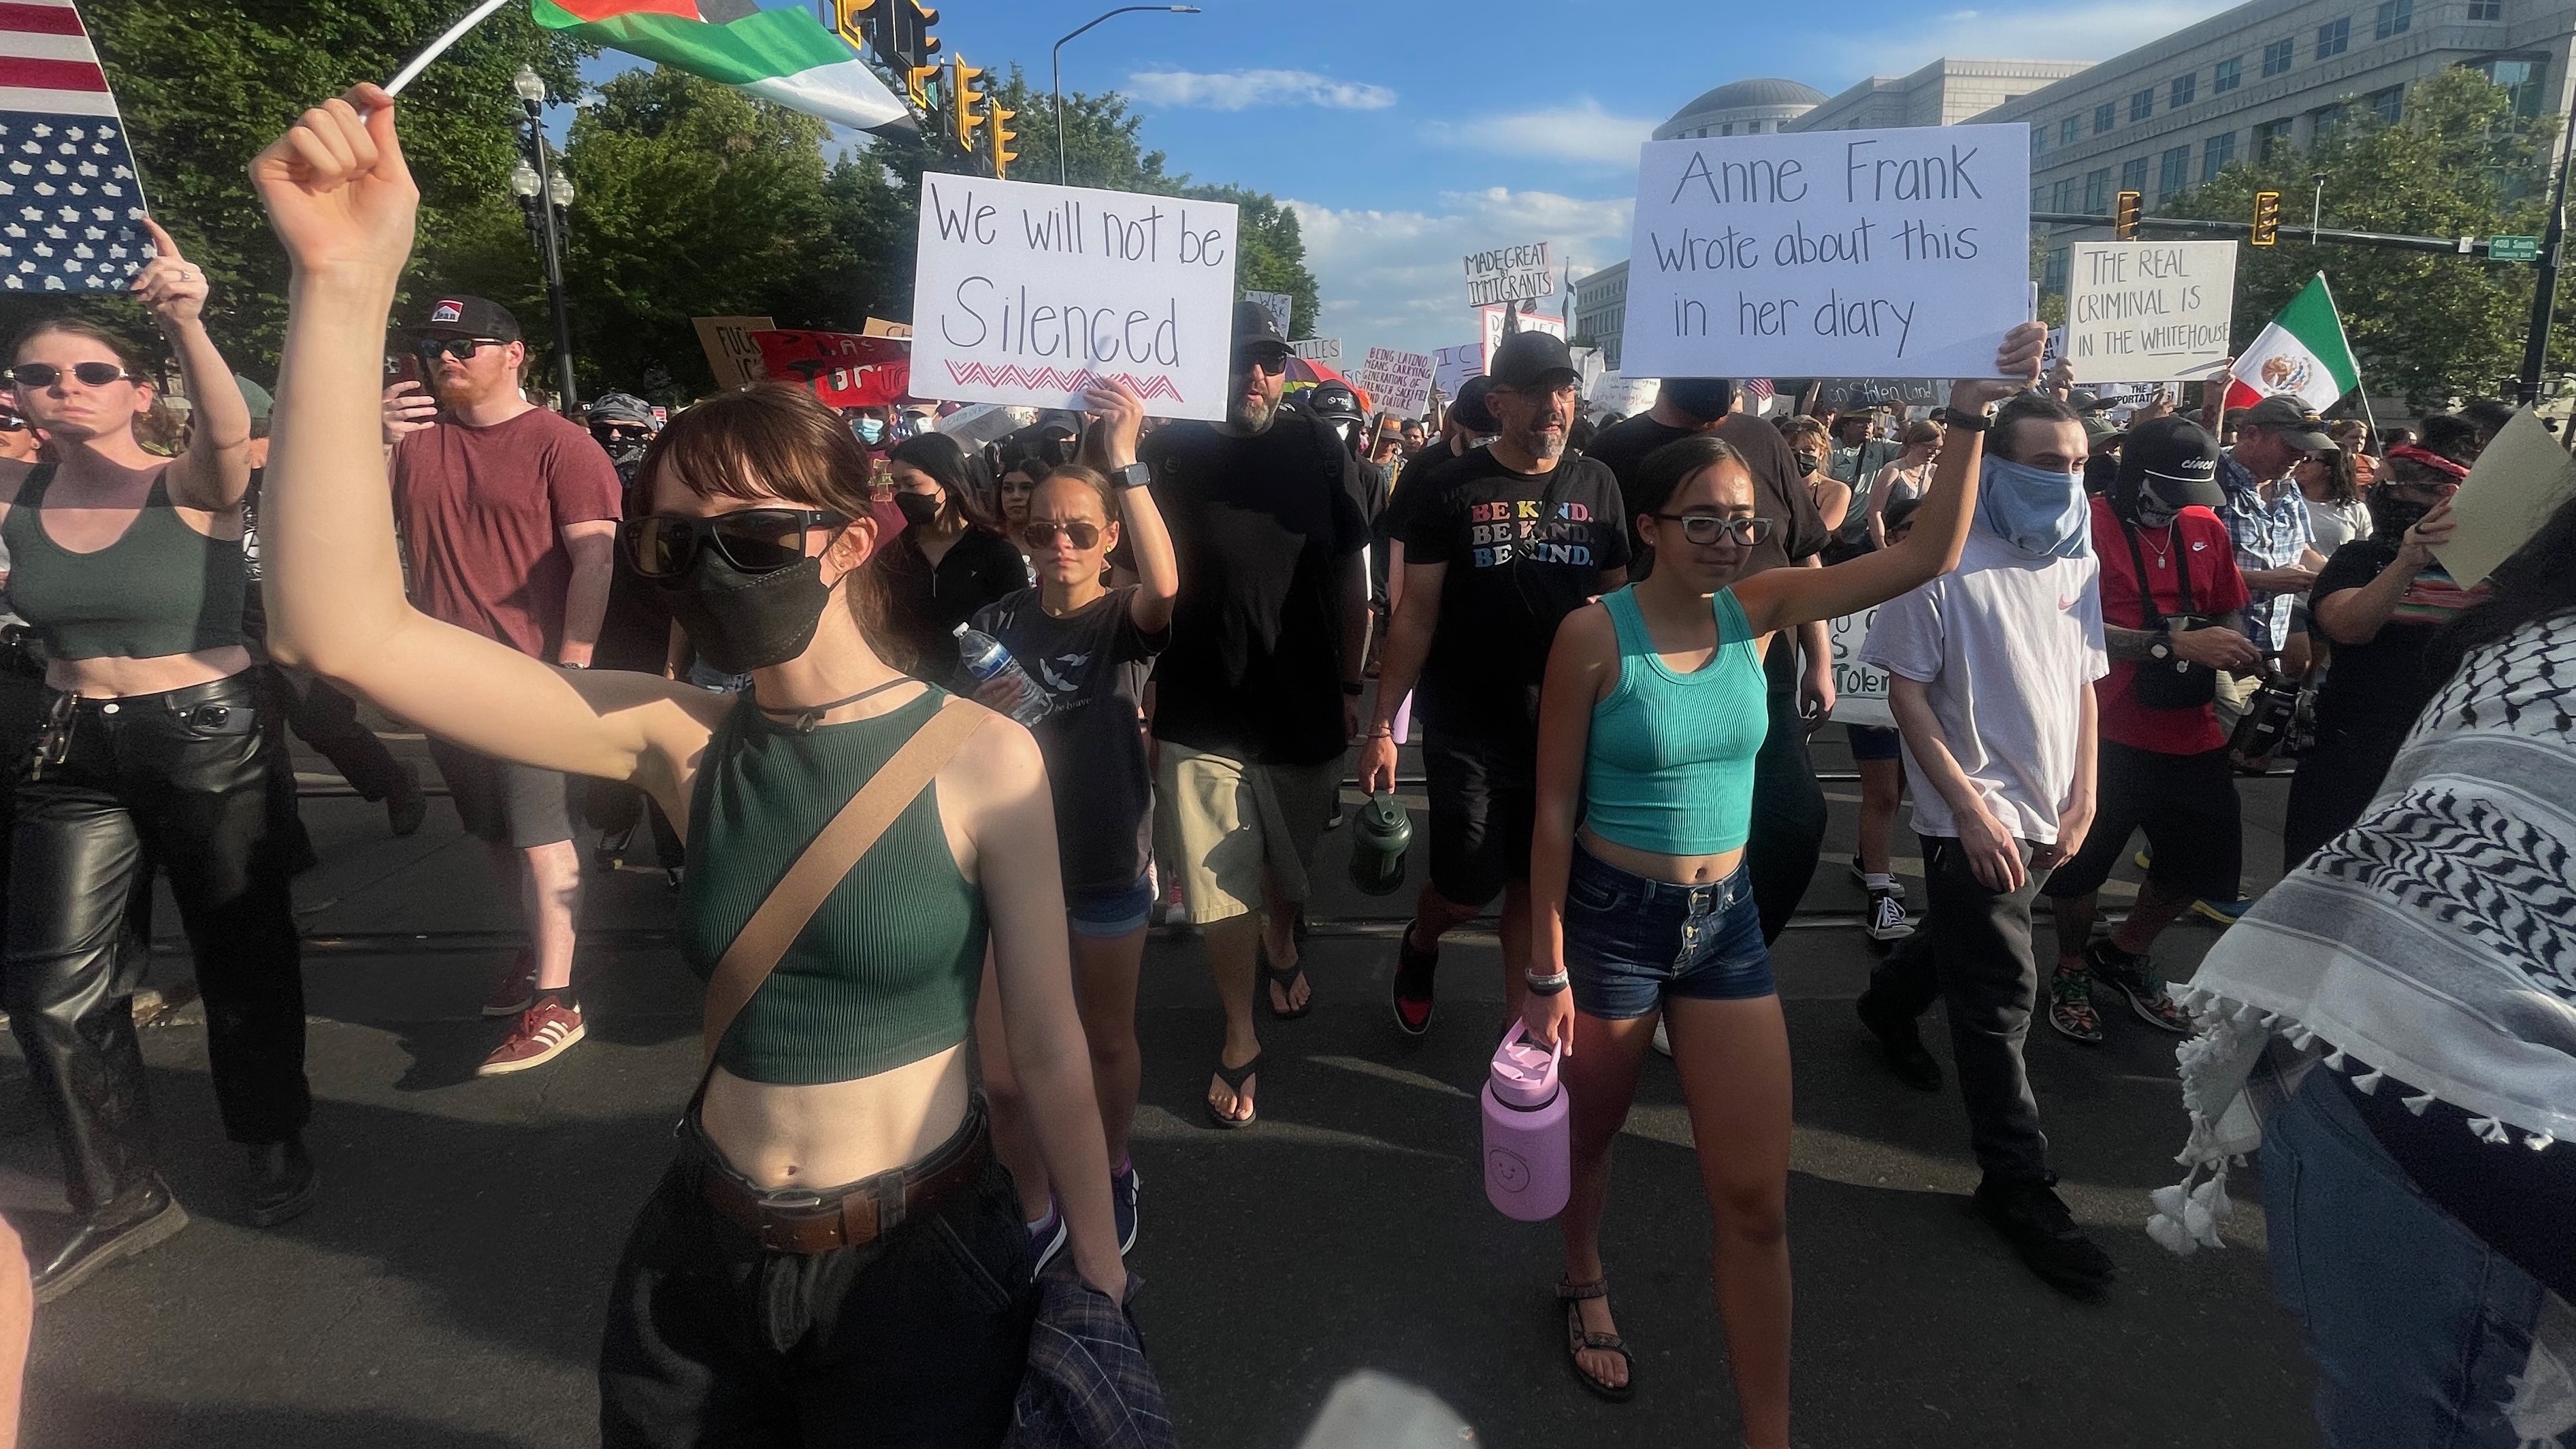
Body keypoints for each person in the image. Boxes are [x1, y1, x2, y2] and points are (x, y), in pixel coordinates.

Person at [251, 91, 1134, 1443]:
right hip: (697, 1270)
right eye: (673, 543)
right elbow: (339, 625)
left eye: (752, 537)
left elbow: (1047, 1055)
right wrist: (339, 277)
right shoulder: (674, 740)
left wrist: (1097, 1269)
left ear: (851, 540)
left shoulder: (981, 755)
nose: (709, 568)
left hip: (912, 1271)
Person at [1518, 327, 2044, 1437]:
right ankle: (1580, 1271)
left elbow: (1920, 559)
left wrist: (1968, 413)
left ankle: (1769, 1425)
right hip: (1613, 924)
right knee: (1595, 1131)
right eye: (1701, 520)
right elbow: (1553, 811)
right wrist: (1543, 965)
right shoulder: (1590, 636)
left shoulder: (1755, 614)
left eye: (1743, 520)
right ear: (1650, 527)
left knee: (1756, 1197)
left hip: (1729, 926)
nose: (1725, 538)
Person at [2160, 493, 2576, 1449]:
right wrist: (2406, 562)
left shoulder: (2519, 614)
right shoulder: (2391, 567)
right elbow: (2341, 625)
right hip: (2436, 1103)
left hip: (2394, 1071)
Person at [0, 226, 318, 1302]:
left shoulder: (191, 485)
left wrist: (186, 316)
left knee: (242, 953)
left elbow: (231, 434)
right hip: (68, 744)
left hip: (203, 732)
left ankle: (271, 1132)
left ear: (137, 391)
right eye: (41, 376)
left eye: (92, 371)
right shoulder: (14, 495)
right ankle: (119, 1190)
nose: (66, 388)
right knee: (48, 987)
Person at [1853, 393, 2117, 1297]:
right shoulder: (1934, 560)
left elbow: (2085, 682)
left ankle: (1889, 1003)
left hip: (2051, 808)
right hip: (1976, 813)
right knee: (2002, 991)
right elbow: (1907, 696)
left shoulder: (2073, 554)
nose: (2069, 479)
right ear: (1995, 464)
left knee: (1968, 944)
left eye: (2080, 462)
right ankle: (2017, 1182)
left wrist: (2086, 792)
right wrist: (1967, 810)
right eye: (2049, 462)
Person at [1361, 331, 1632, 1037]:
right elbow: (1414, 613)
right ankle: (1421, 942)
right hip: (1469, 729)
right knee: (1463, 890)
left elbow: (1619, 606)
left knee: (1535, 886)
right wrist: (1382, 727)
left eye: (1565, 390)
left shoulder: (1597, 483)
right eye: (1538, 391)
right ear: (1497, 401)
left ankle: (1525, 1040)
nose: (1554, 406)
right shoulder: (1446, 486)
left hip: (1568, 730)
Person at [381, 294, 621, 1076]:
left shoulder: (562, 444)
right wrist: (369, 439)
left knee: (544, 836)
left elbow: (594, 557)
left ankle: (557, 997)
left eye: (467, 346)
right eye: (432, 346)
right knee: (492, 832)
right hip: (441, 677)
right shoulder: (411, 444)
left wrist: (573, 665)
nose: (445, 358)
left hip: (531, 677)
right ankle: (534, 946)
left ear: (515, 354)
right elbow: (341, 522)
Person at [1142, 299, 1367, 1126]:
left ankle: (1283, 935)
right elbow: (1132, 563)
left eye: (1269, 359)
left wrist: (1352, 686)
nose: (1256, 375)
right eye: (1239, 359)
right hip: (1200, 705)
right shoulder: (1166, 450)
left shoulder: (1317, 446)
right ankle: (1238, 1031)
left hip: (1304, 700)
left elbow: (1352, 579)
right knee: (1214, 884)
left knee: (1286, 862)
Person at [969, 382, 1174, 1260]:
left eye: (1080, 531)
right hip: (1008, 869)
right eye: (1042, 528)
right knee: (1006, 1077)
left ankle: (1112, 1160)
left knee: (1102, 1038)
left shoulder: (1116, 622)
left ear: (1108, 541)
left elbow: (1166, 584)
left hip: (1100, 859)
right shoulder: (987, 626)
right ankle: (1034, 1197)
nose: (1058, 543)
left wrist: (1125, 456)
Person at [2036, 417, 2262, 1043]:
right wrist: (2170, 643)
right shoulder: (2077, 526)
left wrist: (2235, 643)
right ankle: (2072, 963)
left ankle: (2125, 952)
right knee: (2078, 865)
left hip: (2191, 725)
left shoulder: (2203, 524)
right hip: (2100, 727)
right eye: (2169, 493)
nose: (2181, 508)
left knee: (2203, 864)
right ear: (2135, 478)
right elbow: (2058, 631)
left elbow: (2227, 600)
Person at [1590, 378, 1834, 945]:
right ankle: (1652, 959)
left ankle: (1731, 950)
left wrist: (1818, 659)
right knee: (1668, 838)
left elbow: (1802, 553)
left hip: (1762, 671)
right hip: (1654, 677)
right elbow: (1603, 571)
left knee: (1794, 822)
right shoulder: (1613, 452)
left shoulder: (1763, 438)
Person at [238, 374, 427, 857]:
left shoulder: (295, 473)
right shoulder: (201, 476)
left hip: (296, 606)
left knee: (321, 722)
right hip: (230, 610)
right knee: (255, 733)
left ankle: (393, 779)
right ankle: (284, 842)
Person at [2283, 442, 2474, 869]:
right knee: (2324, 875)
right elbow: (2348, 627)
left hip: (2447, 757)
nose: (2380, 495)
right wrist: (2406, 563)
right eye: (2380, 485)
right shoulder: (2362, 558)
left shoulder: (2490, 573)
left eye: (2392, 485)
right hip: (2355, 748)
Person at [2211, 396, 2327, 745]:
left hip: (2264, 654)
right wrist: (2265, 581)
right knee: (2226, 745)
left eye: (2306, 450)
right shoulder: (2209, 483)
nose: (2299, 456)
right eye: (2291, 445)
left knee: (2248, 750)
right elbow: (2186, 566)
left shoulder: (2288, 487)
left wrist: (2337, 577)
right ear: (2251, 434)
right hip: (2212, 645)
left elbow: (2302, 549)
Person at [873, 432, 1025, 687]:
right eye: (897, 486)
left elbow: (1020, 630)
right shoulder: (892, 557)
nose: (902, 495)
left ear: (949, 483)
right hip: (907, 693)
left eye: (912, 484)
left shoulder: (997, 554)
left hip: (982, 695)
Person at [1848, 495, 1923, 943]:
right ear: (1890, 535)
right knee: (1881, 795)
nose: (1921, 535)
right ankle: (1879, 895)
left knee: (1896, 791)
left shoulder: (1954, 580)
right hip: (1874, 704)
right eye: (1910, 527)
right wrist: (1868, 701)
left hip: (1923, 706)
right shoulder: (1867, 580)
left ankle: (1864, 859)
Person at [1866, 421, 1942, 547]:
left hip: (1920, 542)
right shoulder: (1893, 470)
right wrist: (1882, 547)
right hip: (1891, 539)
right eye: (1928, 446)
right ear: (1913, 443)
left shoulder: (1935, 472)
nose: (1933, 452)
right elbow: (1875, 512)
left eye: (1938, 448)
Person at [1775, 416, 1848, 532]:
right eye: (1792, 450)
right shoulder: (1771, 485)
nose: (1799, 455)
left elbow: (1816, 536)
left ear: (1821, 453)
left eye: (1808, 450)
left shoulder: (1836, 491)